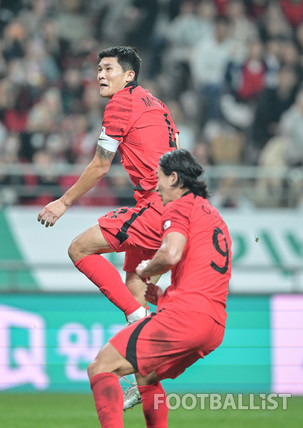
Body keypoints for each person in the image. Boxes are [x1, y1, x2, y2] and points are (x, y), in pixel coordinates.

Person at [37, 46, 179, 407]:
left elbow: (101, 165)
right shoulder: (156, 104)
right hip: (178, 213)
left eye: (108, 69)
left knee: (78, 248)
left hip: (154, 208)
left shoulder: (120, 103)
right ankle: (143, 383)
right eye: (98, 68)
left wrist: (63, 202)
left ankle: (137, 318)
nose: (100, 75)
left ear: (128, 76)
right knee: (135, 290)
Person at [87, 149, 232, 427]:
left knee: (101, 367)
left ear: (175, 178)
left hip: (186, 318)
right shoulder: (214, 216)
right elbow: (202, 273)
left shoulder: (179, 206)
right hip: (214, 326)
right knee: (146, 376)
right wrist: (164, 297)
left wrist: (146, 269)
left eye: (160, 179)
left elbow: (171, 253)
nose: (156, 186)